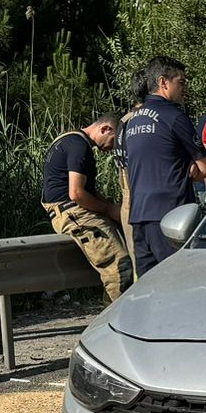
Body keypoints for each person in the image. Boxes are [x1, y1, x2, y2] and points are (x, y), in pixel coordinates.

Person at [124, 56, 206, 276]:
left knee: (147, 287)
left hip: (139, 217)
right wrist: (192, 167)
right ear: (163, 82)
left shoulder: (133, 120)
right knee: (177, 282)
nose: (185, 89)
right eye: (181, 82)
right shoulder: (174, 116)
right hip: (171, 216)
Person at [41, 115, 130, 305]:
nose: (112, 148)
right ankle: (116, 321)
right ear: (105, 129)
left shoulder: (67, 140)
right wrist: (107, 209)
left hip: (69, 211)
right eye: (113, 141)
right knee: (120, 267)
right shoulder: (78, 146)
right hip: (75, 213)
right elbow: (76, 193)